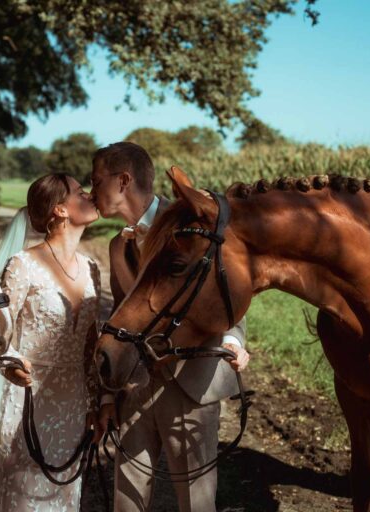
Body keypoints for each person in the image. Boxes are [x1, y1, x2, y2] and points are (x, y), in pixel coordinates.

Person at [90, 142, 250, 512]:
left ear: (123, 180)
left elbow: (230, 294)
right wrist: (109, 394)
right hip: (135, 382)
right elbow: (120, 313)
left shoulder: (194, 223)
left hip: (192, 379)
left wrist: (231, 340)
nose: (91, 189)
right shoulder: (118, 246)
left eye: (97, 180)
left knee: (195, 500)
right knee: (126, 496)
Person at [0, 173, 103, 512]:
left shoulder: (92, 268)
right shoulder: (23, 265)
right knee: (22, 497)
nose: (91, 196)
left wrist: (96, 403)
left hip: (74, 403)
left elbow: (90, 344)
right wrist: (9, 365)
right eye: (80, 192)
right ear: (60, 210)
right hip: (25, 400)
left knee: (64, 496)